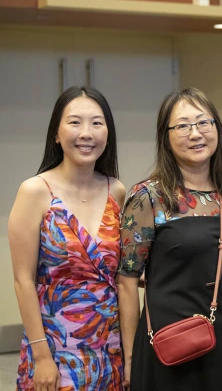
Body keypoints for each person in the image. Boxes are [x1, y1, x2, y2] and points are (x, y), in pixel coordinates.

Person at [117, 88, 222, 391]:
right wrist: (129, 357)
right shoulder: (148, 198)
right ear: (165, 137)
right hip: (169, 340)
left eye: (204, 123)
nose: (196, 133)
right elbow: (127, 280)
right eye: (182, 126)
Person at [9, 86, 125, 391]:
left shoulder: (118, 192)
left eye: (97, 123)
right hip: (55, 348)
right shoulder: (34, 191)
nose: (86, 133)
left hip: (110, 348)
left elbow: (125, 277)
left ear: (108, 134)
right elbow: (23, 280)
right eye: (75, 122)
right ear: (57, 134)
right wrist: (42, 355)